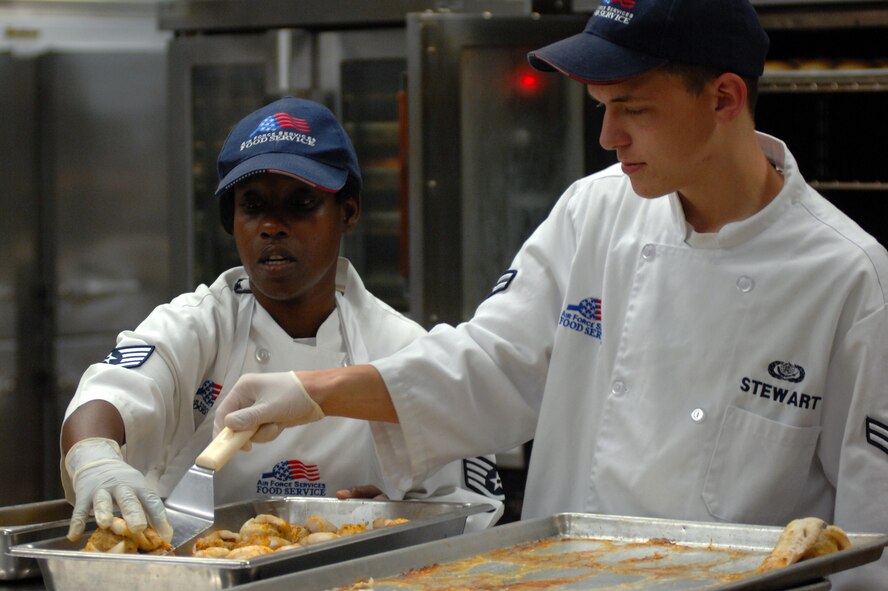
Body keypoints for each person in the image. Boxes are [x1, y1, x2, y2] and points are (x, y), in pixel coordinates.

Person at [213, 2, 888, 588]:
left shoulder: (849, 279)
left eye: (633, 107)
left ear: (723, 98)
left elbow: (870, 534)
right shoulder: (593, 213)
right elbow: (491, 365)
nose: (607, 135)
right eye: (602, 108)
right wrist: (315, 391)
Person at [60, 96, 505, 545]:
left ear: (348, 212)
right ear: (231, 221)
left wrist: (405, 517)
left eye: (301, 203)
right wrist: (95, 455)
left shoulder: (400, 346)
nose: (272, 226)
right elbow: (112, 391)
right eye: (253, 206)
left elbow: (470, 507)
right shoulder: (199, 325)